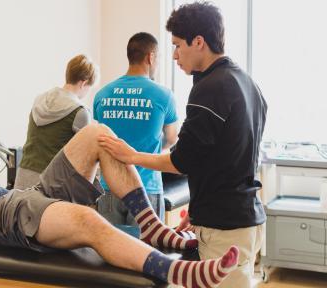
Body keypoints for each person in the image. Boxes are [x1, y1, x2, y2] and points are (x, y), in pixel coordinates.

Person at [0, 123, 239, 288]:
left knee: (97, 135)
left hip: (23, 195)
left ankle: (150, 224)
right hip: (5, 217)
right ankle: (176, 272)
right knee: (87, 219)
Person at [98, 2, 267, 287]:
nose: (175, 55)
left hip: (226, 228)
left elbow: (182, 160)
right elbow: (228, 157)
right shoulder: (248, 84)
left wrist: (131, 156)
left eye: (178, 46)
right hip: (241, 218)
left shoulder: (210, 89)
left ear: (198, 42)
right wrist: (200, 212)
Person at [94, 32, 178, 227]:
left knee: (107, 250)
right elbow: (172, 137)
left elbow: (99, 137)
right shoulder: (164, 95)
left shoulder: (102, 94)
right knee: (144, 252)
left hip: (108, 187)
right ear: (150, 57)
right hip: (146, 187)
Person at [14, 54, 97, 190]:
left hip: (22, 179)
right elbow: (84, 159)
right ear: (83, 82)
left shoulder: (39, 100)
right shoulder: (80, 112)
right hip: (50, 186)